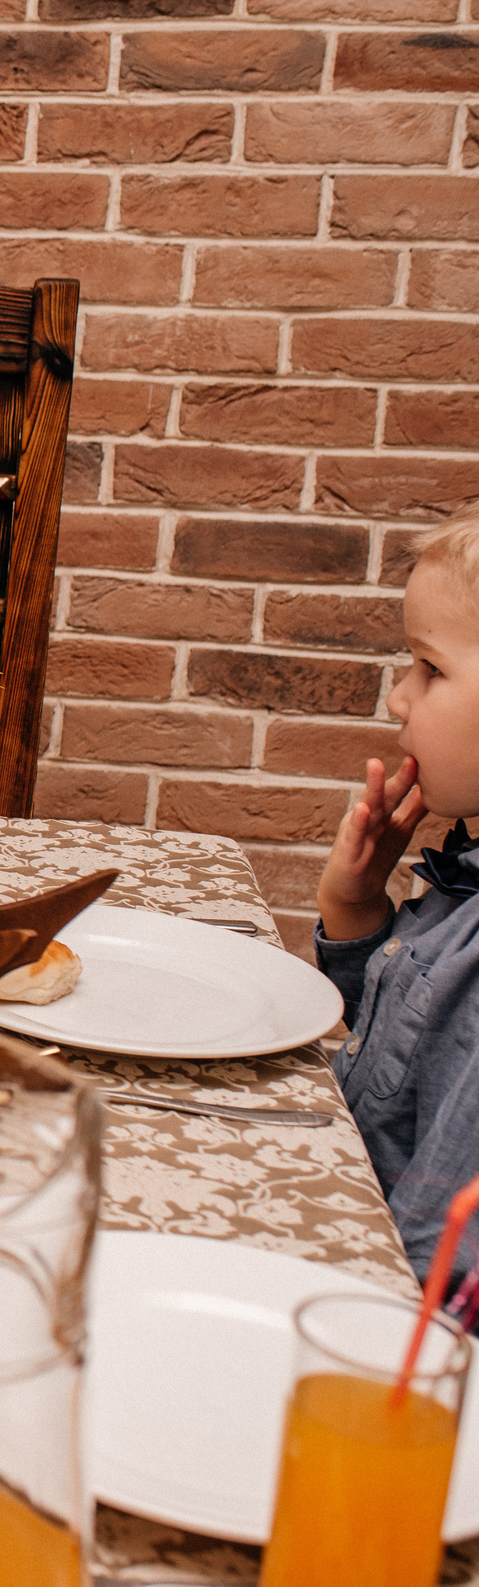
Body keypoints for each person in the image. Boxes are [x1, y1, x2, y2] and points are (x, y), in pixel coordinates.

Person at [322, 498, 479, 1292]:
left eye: (431, 668)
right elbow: (402, 1061)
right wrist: (357, 909)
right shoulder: (465, 881)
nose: (399, 698)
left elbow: (435, 1275)